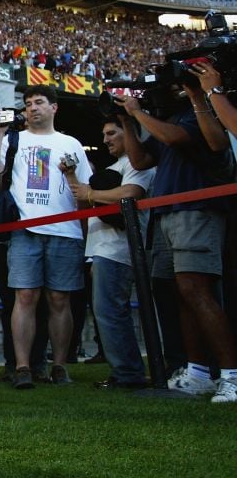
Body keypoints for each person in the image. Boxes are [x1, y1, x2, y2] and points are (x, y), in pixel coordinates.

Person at [117, 82, 237, 403]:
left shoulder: (199, 113)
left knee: (197, 290)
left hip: (196, 210)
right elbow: (141, 160)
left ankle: (231, 374)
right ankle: (197, 372)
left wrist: (137, 112)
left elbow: (174, 137)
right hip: (168, 212)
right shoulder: (169, 119)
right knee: (181, 292)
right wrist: (128, 121)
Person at [0, 85, 91, 389]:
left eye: (39, 102)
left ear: (54, 107)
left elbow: (83, 193)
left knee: (59, 299)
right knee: (25, 296)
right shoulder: (14, 138)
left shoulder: (71, 143)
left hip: (65, 229)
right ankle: (22, 366)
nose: (32, 108)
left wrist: (83, 233)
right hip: (25, 229)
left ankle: (59, 365)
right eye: (28, 103)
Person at [67, 119, 153, 389]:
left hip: (118, 248)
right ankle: (124, 372)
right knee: (108, 311)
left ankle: (128, 374)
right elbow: (86, 197)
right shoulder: (115, 167)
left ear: (130, 133)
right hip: (102, 249)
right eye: (103, 134)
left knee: (110, 311)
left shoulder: (137, 164)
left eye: (112, 133)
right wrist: (74, 180)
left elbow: (130, 193)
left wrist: (91, 192)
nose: (105, 139)